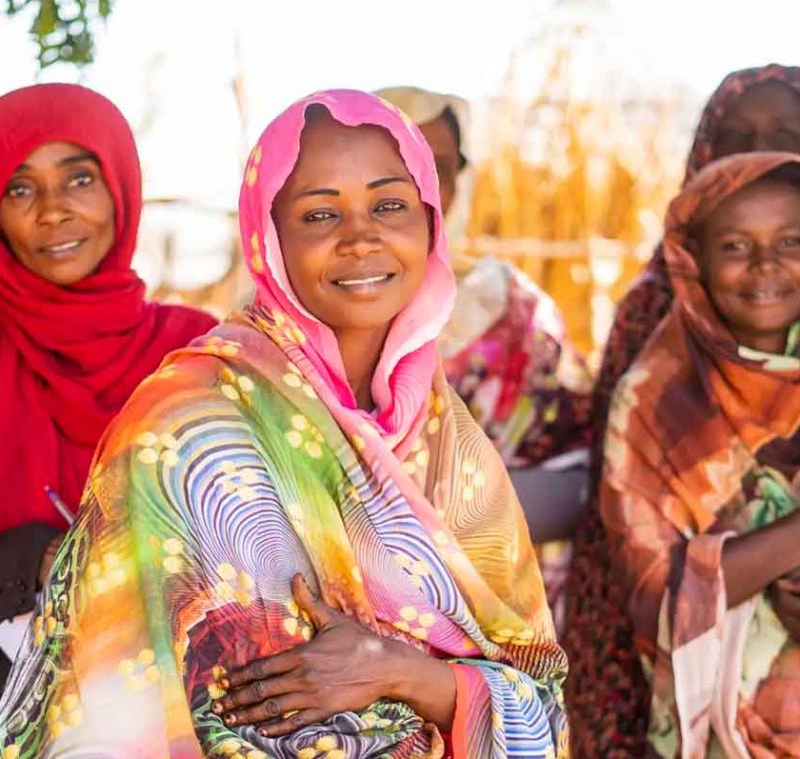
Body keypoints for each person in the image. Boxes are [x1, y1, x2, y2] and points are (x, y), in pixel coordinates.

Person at [0, 90, 569, 758]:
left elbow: (544, 702)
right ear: (269, 241)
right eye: (319, 214)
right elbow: (120, 702)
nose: (361, 237)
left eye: (389, 204)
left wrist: (405, 675)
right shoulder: (191, 420)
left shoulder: (453, 447)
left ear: (430, 222)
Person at [564, 62, 800, 757]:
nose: (763, 265)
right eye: (737, 134)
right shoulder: (655, 347)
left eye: (784, 132)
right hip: (680, 677)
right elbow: (633, 546)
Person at [0, 83, 217, 689]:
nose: (53, 211)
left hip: (185, 700)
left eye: (79, 179)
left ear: (120, 188)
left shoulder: (196, 355)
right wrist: (34, 558)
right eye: (19, 188)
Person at [376, 87, 593, 631]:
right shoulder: (289, 315)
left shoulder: (512, 310)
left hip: (489, 610)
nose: (416, 189)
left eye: (437, 168)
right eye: (392, 168)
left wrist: (461, 517)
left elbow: (578, 476)